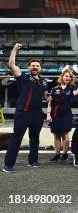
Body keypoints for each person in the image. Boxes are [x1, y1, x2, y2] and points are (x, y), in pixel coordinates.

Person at [3, 43, 49, 174]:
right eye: (33, 65)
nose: (35, 67)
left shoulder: (43, 81)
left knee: (35, 138)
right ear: (29, 67)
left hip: (37, 113)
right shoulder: (22, 76)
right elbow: (11, 65)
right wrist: (14, 49)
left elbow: (45, 96)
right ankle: (8, 164)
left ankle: (33, 161)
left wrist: (48, 98)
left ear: (40, 68)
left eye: (37, 66)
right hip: (23, 112)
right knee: (17, 138)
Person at [47, 69, 78, 162]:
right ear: (62, 77)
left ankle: (64, 154)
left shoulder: (72, 88)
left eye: (69, 76)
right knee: (56, 134)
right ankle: (57, 154)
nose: (67, 78)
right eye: (66, 76)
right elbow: (50, 102)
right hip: (55, 113)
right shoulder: (55, 88)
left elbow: (77, 93)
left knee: (65, 133)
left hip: (66, 113)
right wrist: (48, 114)